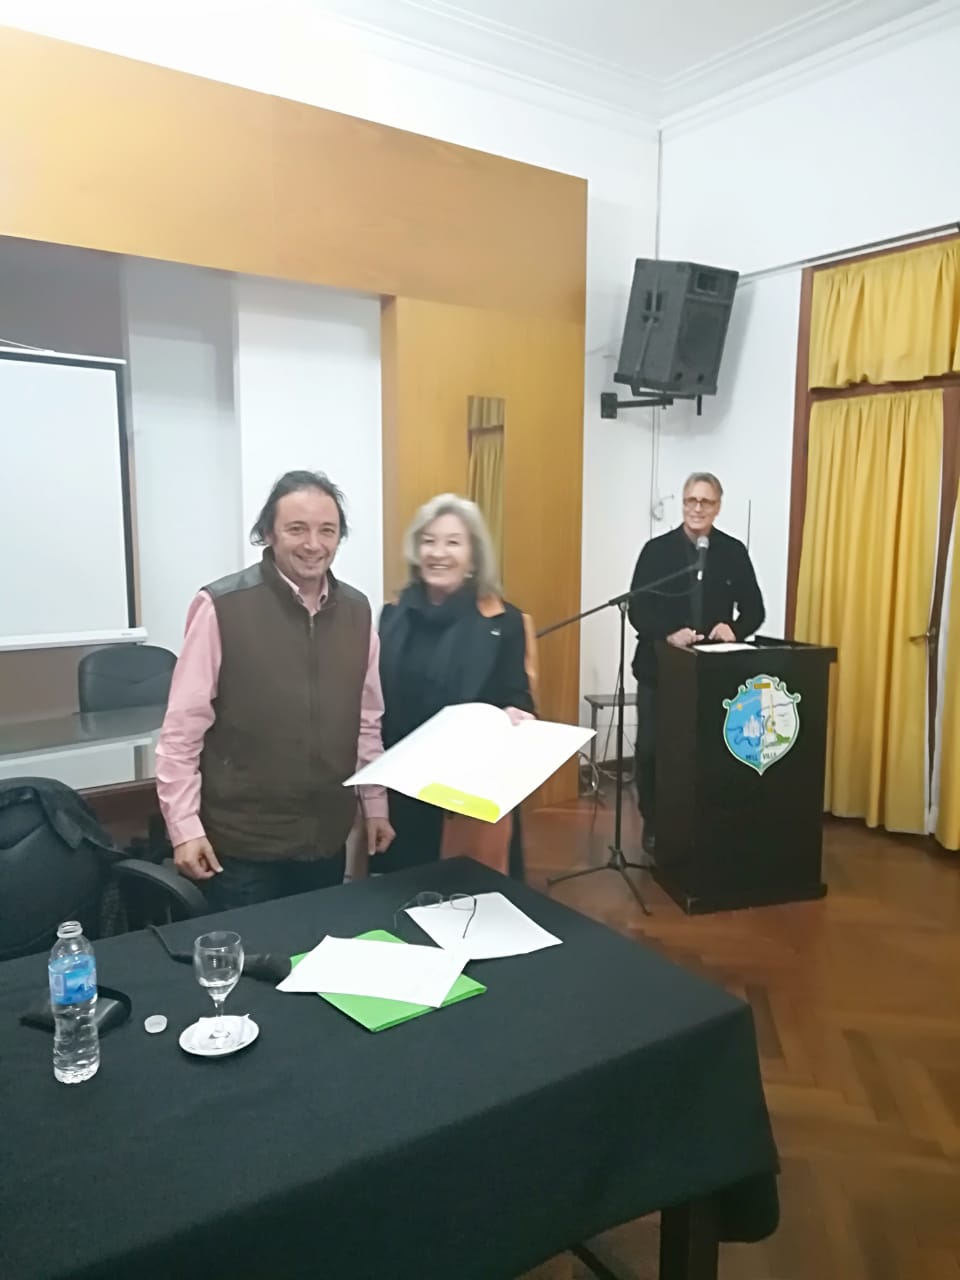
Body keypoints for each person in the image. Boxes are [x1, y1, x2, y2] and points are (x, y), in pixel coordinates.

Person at [156, 470, 394, 911]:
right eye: (297, 529)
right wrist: (184, 828)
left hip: (324, 838)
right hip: (242, 846)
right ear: (269, 533)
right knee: (249, 954)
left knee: (317, 945)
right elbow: (181, 732)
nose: (313, 544)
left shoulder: (358, 612)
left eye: (327, 530)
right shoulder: (222, 606)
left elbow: (366, 722)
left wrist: (375, 806)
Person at [375, 494, 536, 875]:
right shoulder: (392, 615)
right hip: (400, 788)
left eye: (452, 542)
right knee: (396, 892)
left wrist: (517, 714)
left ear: (473, 557)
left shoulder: (504, 621)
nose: (438, 553)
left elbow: (519, 696)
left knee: (462, 895)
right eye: (428, 541)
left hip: (467, 795)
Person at [628, 471, 765, 855]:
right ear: (683, 504)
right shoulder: (656, 551)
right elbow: (638, 608)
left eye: (706, 502)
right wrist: (668, 633)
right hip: (661, 669)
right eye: (691, 500)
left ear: (718, 507)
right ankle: (655, 822)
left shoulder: (733, 552)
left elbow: (755, 609)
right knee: (653, 749)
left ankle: (707, 825)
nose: (698, 508)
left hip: (713, 674)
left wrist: (734, 628)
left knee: (707, 753)